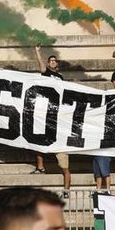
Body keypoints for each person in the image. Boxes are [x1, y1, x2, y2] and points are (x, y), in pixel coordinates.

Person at [32, 45, 72, 197]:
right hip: (45, 111)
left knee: (64, 162)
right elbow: (41, 65)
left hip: (57, 114)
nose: (53, 62)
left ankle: (66, 190)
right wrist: (37, 51)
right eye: (51, 61)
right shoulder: (46, 73)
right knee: (38, 139)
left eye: (55, 61)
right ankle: (40, 167)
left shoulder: (61, 77)